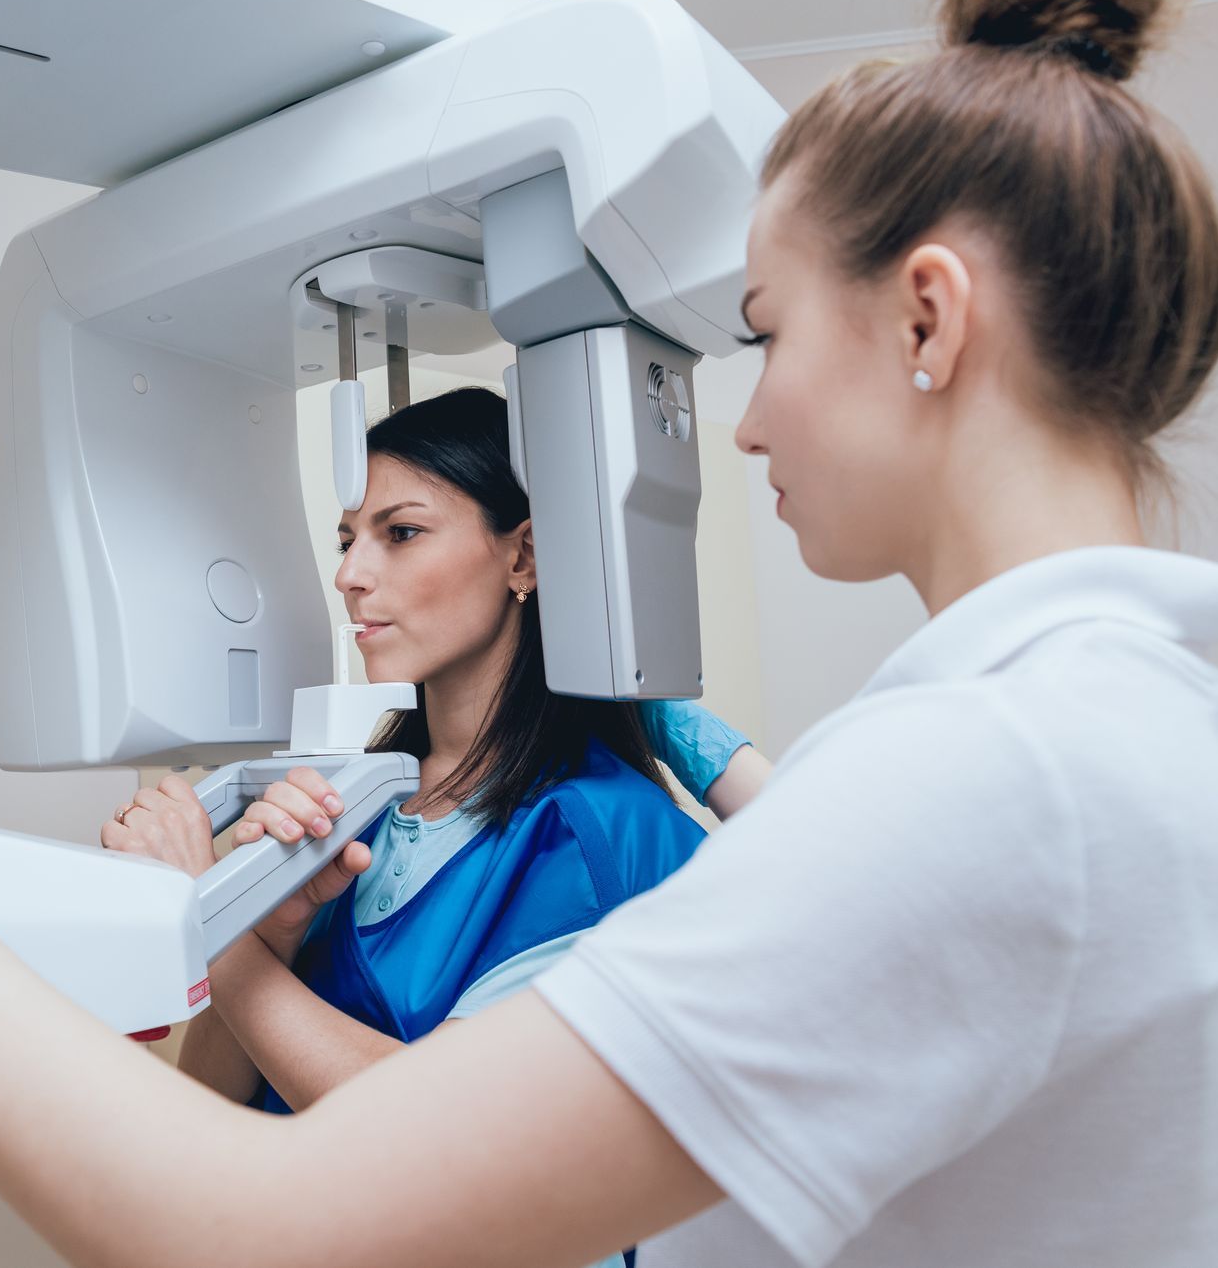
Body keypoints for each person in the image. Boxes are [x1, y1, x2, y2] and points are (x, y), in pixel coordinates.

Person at [0, 0, 1218, 1265]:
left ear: (927, 318)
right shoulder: (1134, 737)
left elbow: (258, 1219)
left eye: (764, 334)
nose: (743, 423)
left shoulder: (995, 773)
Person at [94, 392, 755, 1183]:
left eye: (400, 533)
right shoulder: (347, 811)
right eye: (346, 541)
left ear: (523, 558)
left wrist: (216, 933)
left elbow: (436, 1136)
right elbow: (212, 1121)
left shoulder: (593, 832)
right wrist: (267, 931)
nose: (348, 575)